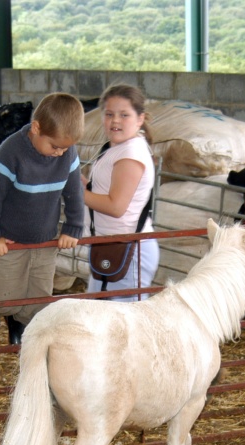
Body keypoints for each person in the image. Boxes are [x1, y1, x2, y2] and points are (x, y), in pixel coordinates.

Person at [0, 92, 85, 345]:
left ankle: (19, 321)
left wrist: (73, 227)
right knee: (5, 289)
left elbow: (74, 192)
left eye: (65, 148)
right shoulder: (10, 153)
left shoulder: (67, 154)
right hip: (8, 239)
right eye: (55, 146)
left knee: (38, 295)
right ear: (36, 128)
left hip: (45, 238)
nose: (59, 153)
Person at [82, 84, 157, 301]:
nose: (115, 120)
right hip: (113, 246)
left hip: (129, 251)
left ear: (140, 119)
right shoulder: (118, 148)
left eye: (124, 115)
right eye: (109, 114)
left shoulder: (130, 154)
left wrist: (76, 194)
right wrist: (83, 185)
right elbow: (106, 191)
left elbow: (116, 206)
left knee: (124, 326)